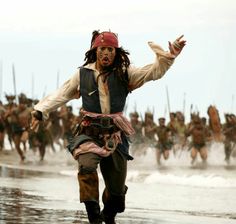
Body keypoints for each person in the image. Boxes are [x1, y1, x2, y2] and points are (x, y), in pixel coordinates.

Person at [30, 30, 186, 224]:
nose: (106, 53)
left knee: (117, 194)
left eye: (110, 49)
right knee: (86, 168)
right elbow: (62, 94)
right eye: (102, 49)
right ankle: (94, 217)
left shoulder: (126, 72)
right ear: (95, 50)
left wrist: (168, 58)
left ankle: (108, 215)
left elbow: (153, 72)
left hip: (115, 136)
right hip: (89, 133)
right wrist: (40, 110)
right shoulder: (82, 73)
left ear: (116, 52)